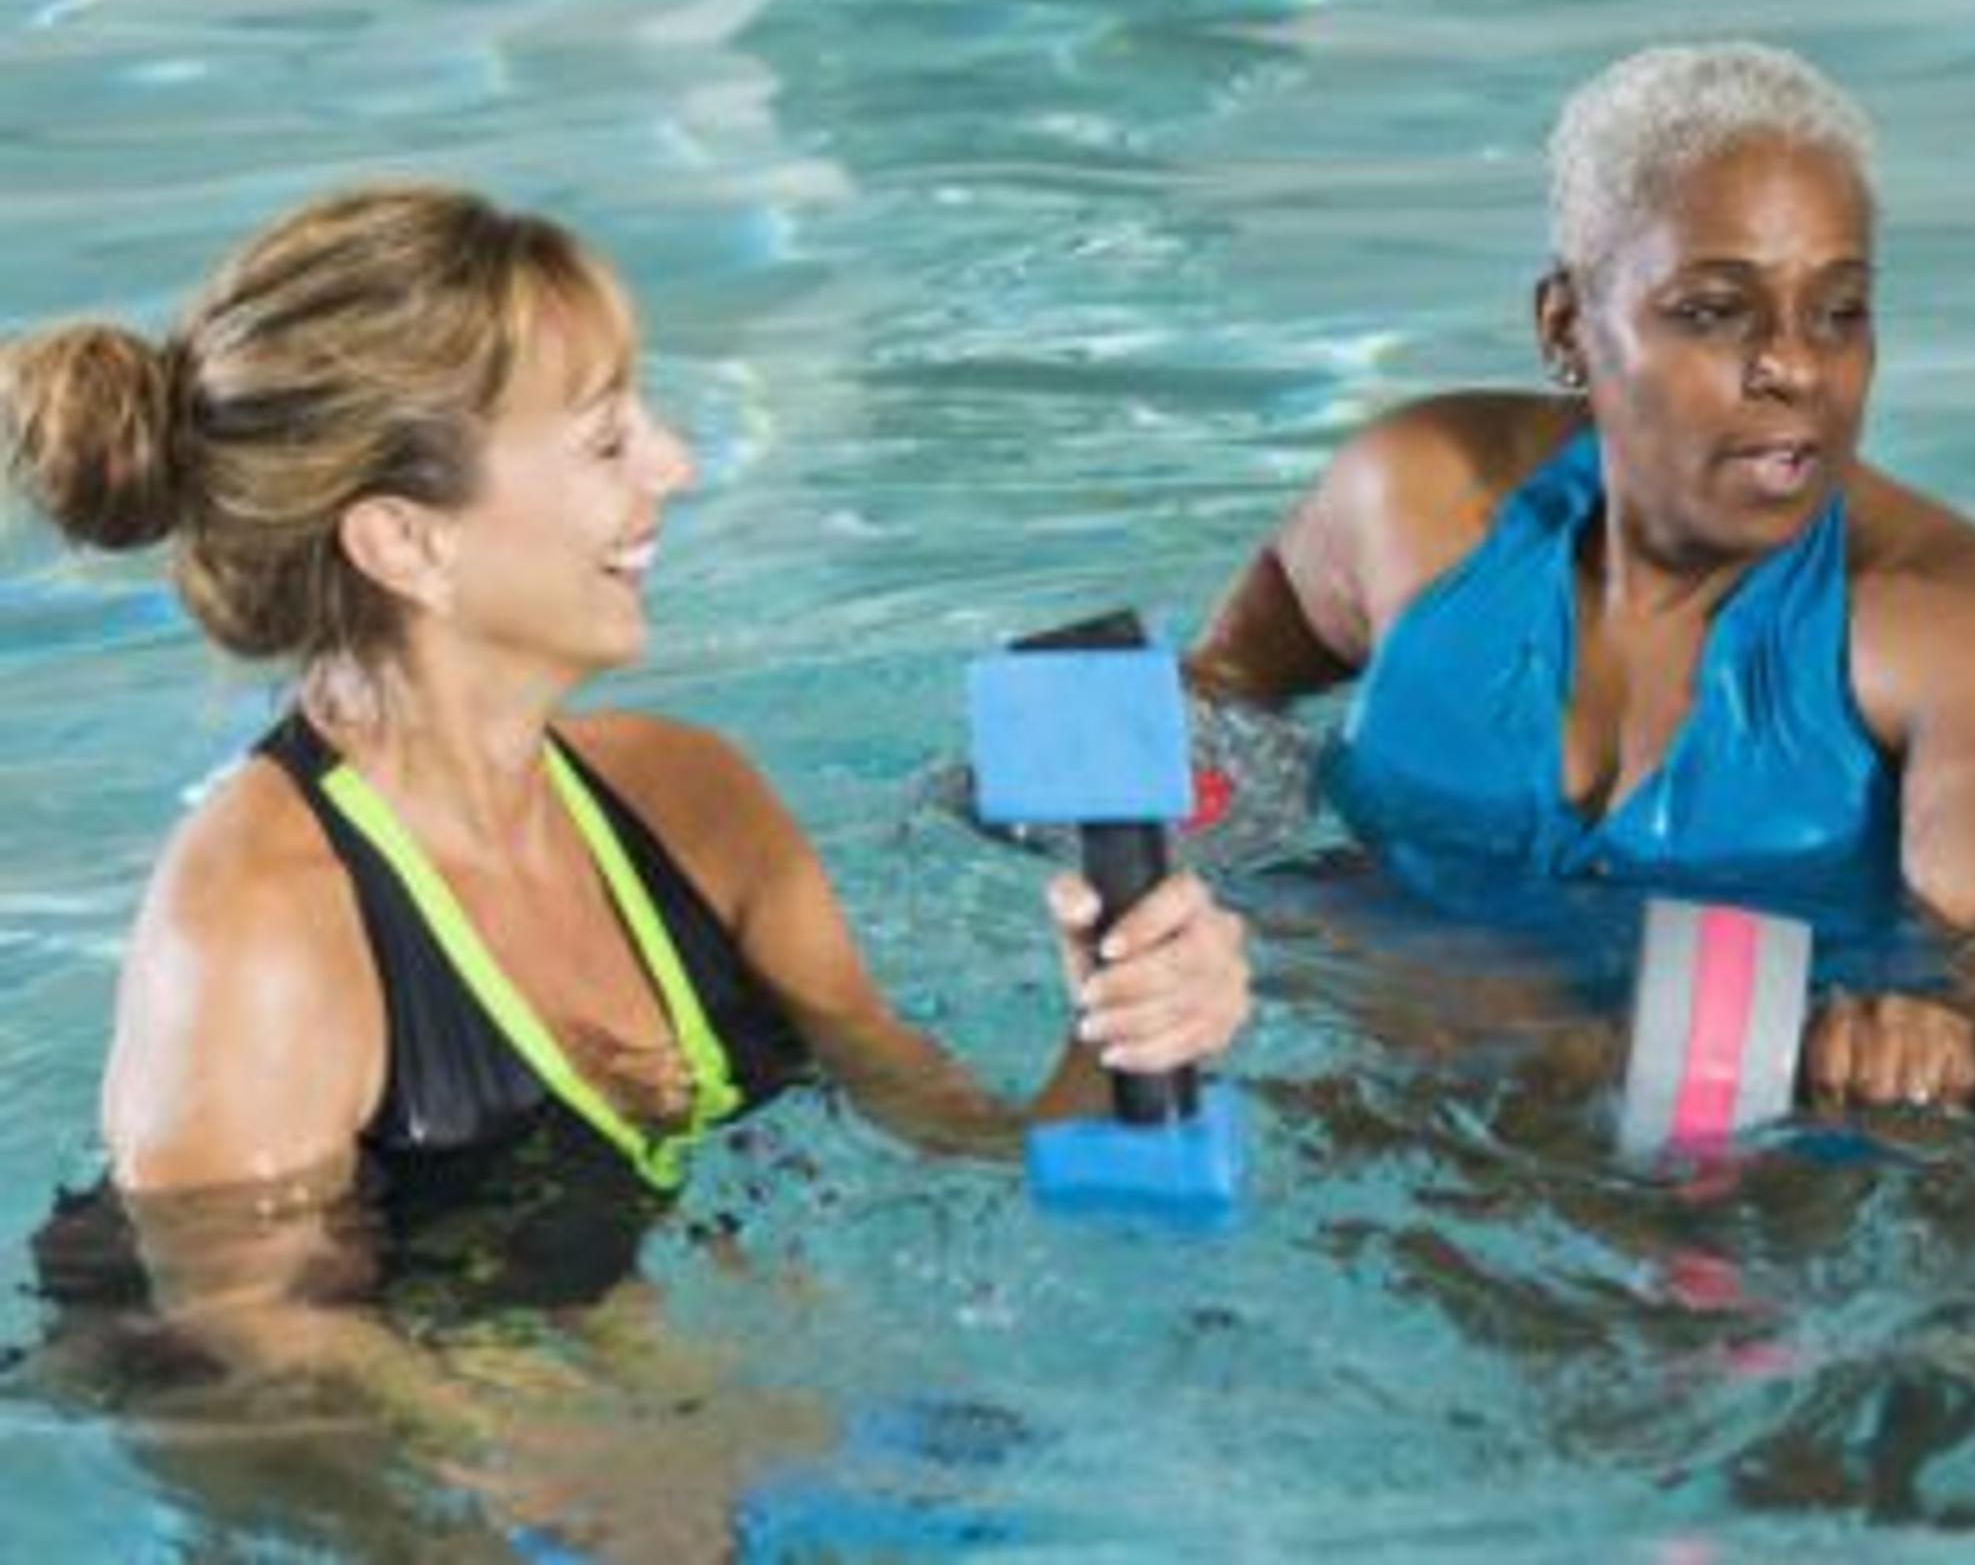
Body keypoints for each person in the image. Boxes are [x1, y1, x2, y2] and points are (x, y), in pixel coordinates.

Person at [2, 184, 1253, 1540]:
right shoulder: (258, 926)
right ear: (405, 541)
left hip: (658, 1390)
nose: (677, 465)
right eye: (608, 440)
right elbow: (247, 1351)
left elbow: (968, 1145)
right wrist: (562, 1452)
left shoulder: (694, 802)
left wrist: (1127, 1029)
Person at [1189, 41, 1975, 1113]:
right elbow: (1219, 688)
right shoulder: (1418, 504)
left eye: (1840, 310)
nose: (1794, 366)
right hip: (1399, 1052)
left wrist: (1932, 1031)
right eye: (1713, 310)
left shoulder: (1962, 629)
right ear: (1567, 328)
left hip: (1741, 1165)